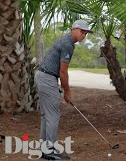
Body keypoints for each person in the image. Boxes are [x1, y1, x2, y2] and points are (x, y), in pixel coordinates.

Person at [34, 20, 93, 160]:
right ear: (74, 29)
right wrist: (67, 91)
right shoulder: (68, 44)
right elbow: (63, 72)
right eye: (82, 31)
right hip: (47, 78)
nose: (84, 35)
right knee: (53, 115)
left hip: (43, 76)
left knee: (46, 115)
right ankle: (50, 151)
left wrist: (58, 86)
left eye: (86, 33)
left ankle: (44, 149)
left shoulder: (66, 40)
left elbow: (59, 72)